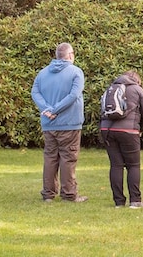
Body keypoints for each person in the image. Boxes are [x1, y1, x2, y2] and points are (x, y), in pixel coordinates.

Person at [31, 42, 87, 203]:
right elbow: (73, 95)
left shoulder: (42, 73)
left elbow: (35, 92)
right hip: (69, 123)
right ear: (69, 55)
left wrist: (47, 109)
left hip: (48, 123)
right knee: (68, 157)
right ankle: (69, 194)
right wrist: (54, 110)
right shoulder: (76, 72)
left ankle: (48, 194)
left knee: (50, 157)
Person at [99, 71, 143, 208]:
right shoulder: (138, 90)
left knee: (116, 165)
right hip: (129, 130)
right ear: (137, 80)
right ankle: (135, 201)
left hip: (107, 130)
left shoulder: (110, 89)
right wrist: (141, 129)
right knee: (133, 165)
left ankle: (118, 202)